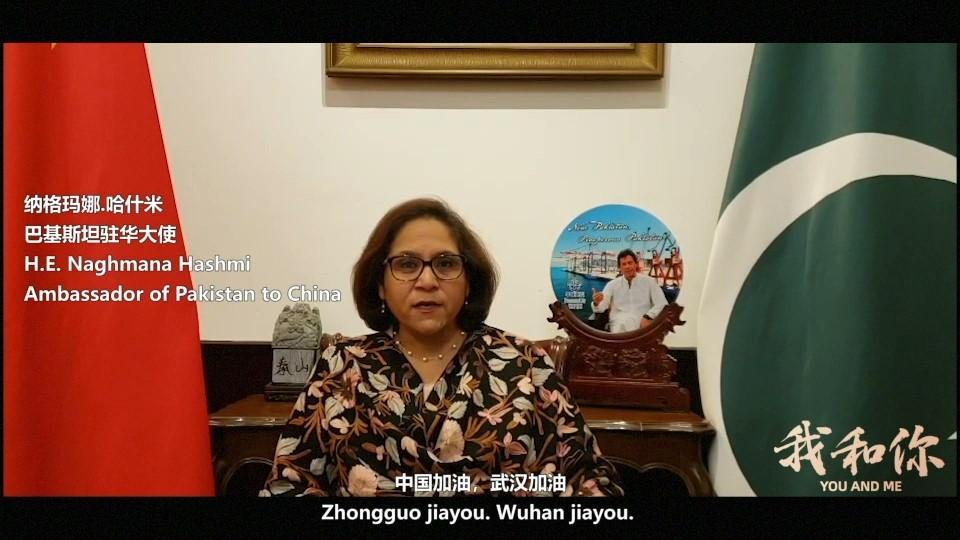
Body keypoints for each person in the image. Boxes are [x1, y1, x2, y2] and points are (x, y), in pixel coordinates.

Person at [261, 198, 622, 497]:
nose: (427, 280)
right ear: (380, 284)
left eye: (446, 264)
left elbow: (590, 481)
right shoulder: (340, 366)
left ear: (469, 281)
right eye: (407, 264)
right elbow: (290, 482)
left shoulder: (528, 365)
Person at [591, 249, 668, 333]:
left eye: (630, 263)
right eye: (624, 264)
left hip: (643, 325)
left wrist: (649, 316)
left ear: (636, 264)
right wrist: (596, 303)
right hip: (619, 326)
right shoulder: (612, 284)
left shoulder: (649, 282)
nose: (627, 266)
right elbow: (601, 308)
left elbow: (662, 304)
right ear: (620, 267)